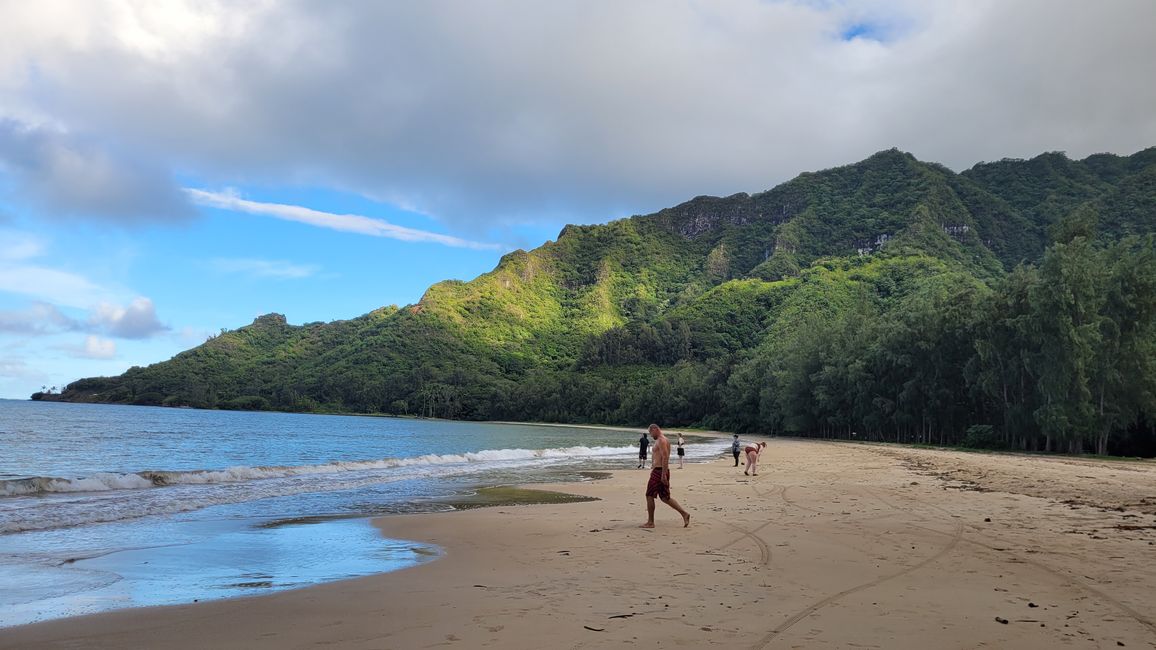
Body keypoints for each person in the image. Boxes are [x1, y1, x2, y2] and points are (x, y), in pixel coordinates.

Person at [641, 424, 691, 528]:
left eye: (650, 432)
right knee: (665, 497)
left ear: (655, 429)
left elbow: (665, 457)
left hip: (660, 471)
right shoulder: (661, 440)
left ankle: (650, 522)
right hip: (659, 470)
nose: (650, 435)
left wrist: (663, 474)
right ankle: (684, 514)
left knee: (649, 495)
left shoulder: (661, 440)